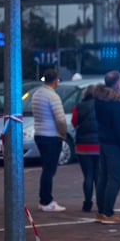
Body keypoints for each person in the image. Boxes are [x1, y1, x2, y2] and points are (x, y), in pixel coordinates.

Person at [94, 70, 120, 224]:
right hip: (116, 145)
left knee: (103, 178)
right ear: (117, 83)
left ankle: (102, 211)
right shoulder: (117, 104)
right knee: (115, 179)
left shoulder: (100, 100)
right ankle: (109, 212)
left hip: (103, 142)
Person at [32, 68, 68, 212]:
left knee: (46, 168)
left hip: (39, 133)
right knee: (49, 169)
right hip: (51, 135)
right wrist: (63, 133)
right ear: (55, 80)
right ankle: (46, 200)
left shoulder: (37, 94)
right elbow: (60, 118)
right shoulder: (53, 96)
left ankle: (44, 198)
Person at [71, 84, 99, 213]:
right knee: (98, 176)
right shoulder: (101, 105)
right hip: (98, 145)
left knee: (87, 175)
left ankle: (87, 203)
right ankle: (101, 202)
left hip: (82, 145)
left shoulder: (79, 106)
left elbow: (74, 122)